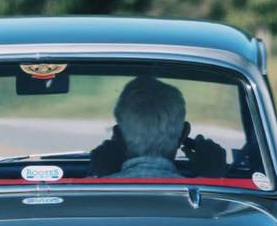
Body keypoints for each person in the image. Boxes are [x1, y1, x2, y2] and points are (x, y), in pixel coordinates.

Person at [87, 75, 227, 179]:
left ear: (117, 135)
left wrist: (99, 176)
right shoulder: (209, 198)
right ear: (184, 134)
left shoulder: (92, 194)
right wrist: (211, 176)